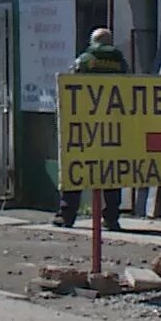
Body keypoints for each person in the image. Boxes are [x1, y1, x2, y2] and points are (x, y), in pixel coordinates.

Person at [57, 27, 129, 230]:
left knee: (77, 169)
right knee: (112, 173)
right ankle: (112, 218)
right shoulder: (120, 62)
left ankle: (67, 215)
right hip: (113, 125)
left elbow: (71, 85)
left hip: (85, 124)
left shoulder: (85, 60)